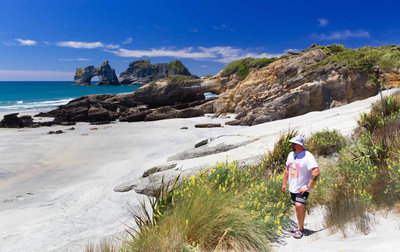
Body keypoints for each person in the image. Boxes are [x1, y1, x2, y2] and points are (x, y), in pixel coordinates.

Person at [281, 135, 320, 239]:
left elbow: (316, 172)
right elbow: (287, 170)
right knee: (297, 206)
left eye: (293, 144)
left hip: (302, 187)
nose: (291, 145)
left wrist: (308, 186)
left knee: (299, 205)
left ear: (299, 145)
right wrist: (284, 183)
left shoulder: (307, 156)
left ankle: (300, 230)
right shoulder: (290, 155)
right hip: (292, 187)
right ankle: (300, 226)